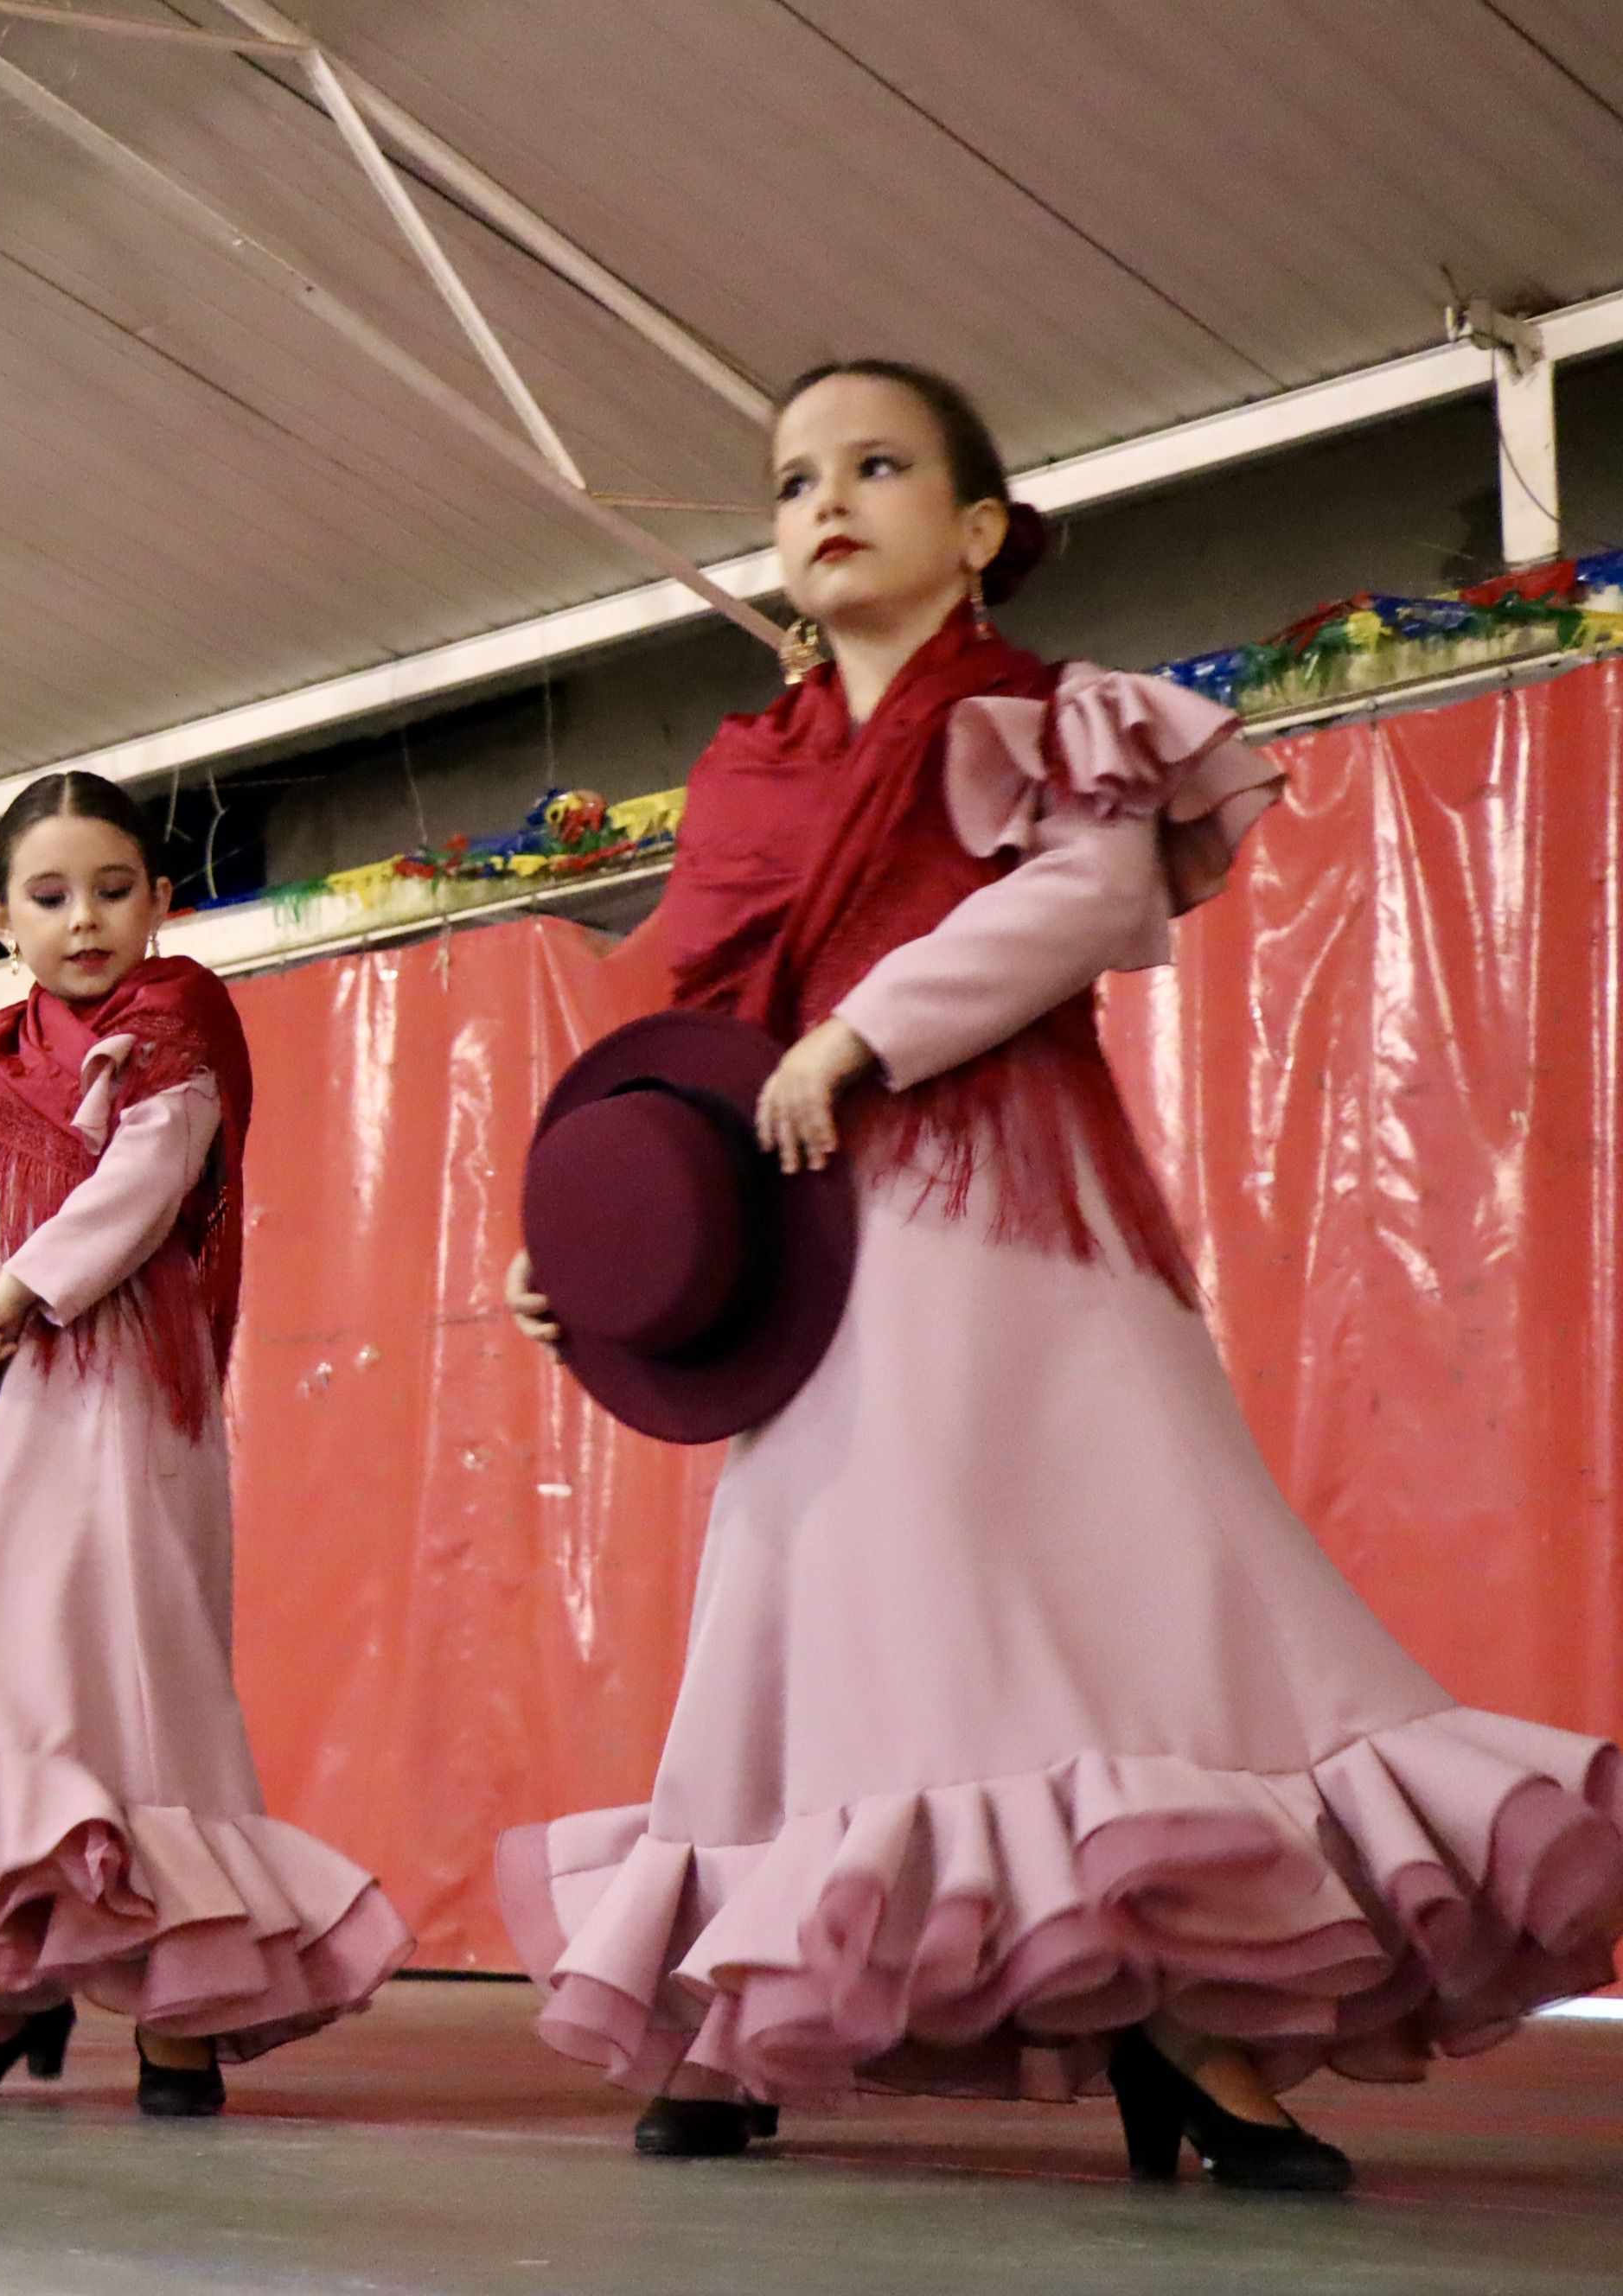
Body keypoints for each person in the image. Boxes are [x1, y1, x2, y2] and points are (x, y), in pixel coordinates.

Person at [498, 360, 1623, 2190]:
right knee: (805, 1601)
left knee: (1105, 1584)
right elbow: (677, 1012)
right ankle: (740, 1998)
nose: (824, 500)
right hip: (800, 1235)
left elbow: (1088, 894)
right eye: (792, 480)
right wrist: (590, 1233)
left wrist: (857, 1033)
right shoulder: (744, 771)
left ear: (979, 529)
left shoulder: (1047, 713)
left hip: (996, 1198)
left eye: (875, 465)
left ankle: (1183, 2017)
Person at [0, 773, 412, 2117]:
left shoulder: (177, 1022)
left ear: (161, 900)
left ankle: (177, 2014)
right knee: (3, 1686)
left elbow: (146, 1183)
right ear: (2, 921)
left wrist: (15, 1292)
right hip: (8, 1401)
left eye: (114, 890)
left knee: (141, 1676)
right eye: (52, 896)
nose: (85, 920)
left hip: (124, 1391)